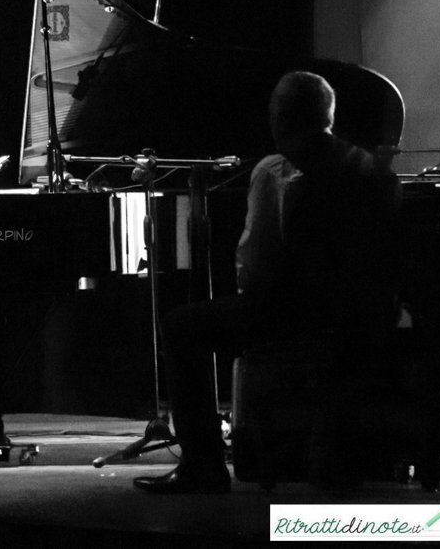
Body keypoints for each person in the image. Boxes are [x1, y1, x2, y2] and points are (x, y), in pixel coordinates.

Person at [133, 71, 401, 493]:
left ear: (278, 119)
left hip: (296, 313)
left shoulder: (281, 174)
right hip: (366, 316)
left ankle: (202, 466)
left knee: (180, 325)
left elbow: (257, 266)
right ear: (329, 116)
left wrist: (250, 293)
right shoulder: (376, 172)